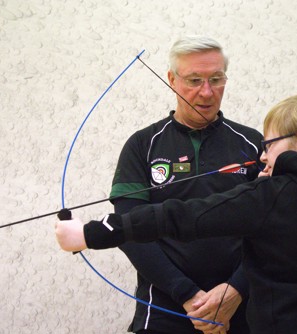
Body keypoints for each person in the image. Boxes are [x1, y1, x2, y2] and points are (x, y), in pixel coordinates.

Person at [56, 91, 297, 334]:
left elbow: (182, 216)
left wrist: (88, 234)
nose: (263, 156)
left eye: (270, 145)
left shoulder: (270, 197)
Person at [105, 36, 263, 334]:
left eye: (216, 79)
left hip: (242, 309)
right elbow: (128, 230)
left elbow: (275, 228)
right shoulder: (142, 145)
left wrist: (236, 289)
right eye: (194, 80)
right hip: (165, 310)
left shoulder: (253, 143)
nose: (206, 91)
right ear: (171, 80)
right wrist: (187, 295)